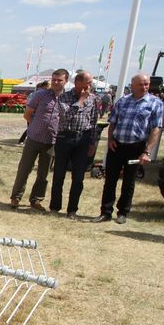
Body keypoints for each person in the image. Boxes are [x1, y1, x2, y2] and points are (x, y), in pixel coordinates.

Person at [92, 73, 164, 224]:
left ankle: (123, 212)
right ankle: (105, 212)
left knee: (129, 181)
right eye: (141, 84)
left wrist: (146, 151)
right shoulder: (123, 101)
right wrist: (110, 139)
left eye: (146, 84)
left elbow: (156, 129)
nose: (144, 87)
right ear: (132, 85)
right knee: (110, 180)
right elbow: (113, 122)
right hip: (117, 145)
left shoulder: (155, 103)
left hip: (136, 148)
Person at [9, 69, 69, 211]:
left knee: (43, 173)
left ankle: (36, 200)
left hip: (52, 141)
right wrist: (35, 127)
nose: (55, 82)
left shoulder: (67, 99)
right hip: (34, 138)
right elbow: (27, 114)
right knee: (24, 169)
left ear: (66, 81)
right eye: (54, 79)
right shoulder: (39, 95)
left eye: (59, 80)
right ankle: (16, 197)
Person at [49, 71, 99, 219]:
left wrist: (92, 142)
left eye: (91, 83)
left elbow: (94, 121)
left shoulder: (93, 99)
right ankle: (55, 206)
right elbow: (66, 115)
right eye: (88, 83)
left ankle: (72, 210)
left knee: (78, 178)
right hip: (65, 138)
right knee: (59, 175)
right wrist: (81, 101)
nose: (90, 86)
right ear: (78, 83)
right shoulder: (64, 97)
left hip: (83, 139)